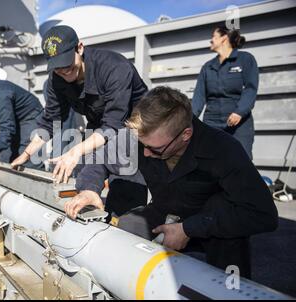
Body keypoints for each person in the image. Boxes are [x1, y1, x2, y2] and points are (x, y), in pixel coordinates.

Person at [65, 86, 278, 278]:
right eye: (142, 145)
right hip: (165, 210)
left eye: (156, 149)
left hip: (211, 221)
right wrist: (90, 189)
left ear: (185, 134)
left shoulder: (223, 149)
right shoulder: (141, 136)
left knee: (231, 246)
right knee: (125, 230)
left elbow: (262, 213)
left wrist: (188, 228)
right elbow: (99, 160)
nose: (145, 153)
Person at [11, 25, 148, 215]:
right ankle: (90, 210)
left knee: (121, 171)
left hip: (136, 125)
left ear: (80, 48)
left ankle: (127, 221)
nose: (64, 72)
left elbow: (114, 124)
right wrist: (25, 155)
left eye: (67, 64)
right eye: (57, 68)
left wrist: (75, 151)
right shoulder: (56, 80)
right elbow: (50, 120)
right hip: (100, 125)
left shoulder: (113, 67)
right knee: (83, 169)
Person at [192, 25, 258, 159]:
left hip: (238, 125)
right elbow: (199, 97)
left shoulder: (245, 59)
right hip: (212, 123)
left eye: (213, 37)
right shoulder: (208, 67)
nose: (210, 40)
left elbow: (250, 88)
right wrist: (189, 120)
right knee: (209, 162)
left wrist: (239, 111)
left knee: (240, 162)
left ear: (224, 38)